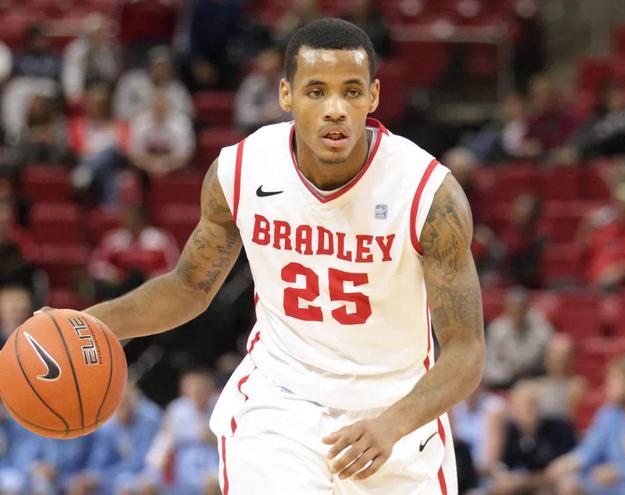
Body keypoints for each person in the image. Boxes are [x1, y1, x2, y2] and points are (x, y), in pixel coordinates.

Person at [77, 18, 484, 494]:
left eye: (352, 92)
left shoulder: (427, 194)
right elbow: (189, 286)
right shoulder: (243, 170)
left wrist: (392, 424)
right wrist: (86, 323)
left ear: (373, 97)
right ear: (286, 94)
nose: (335, 109)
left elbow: (466, 350)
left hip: (397, 415)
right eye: (316, 91)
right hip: (282, 403)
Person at [548, 355, 625, 495]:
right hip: (611, 484)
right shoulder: (608, 413)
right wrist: (570, 462)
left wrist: (621, 471)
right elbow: (591, 448)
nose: (607, 388)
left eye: (613, 383)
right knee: (569, 483)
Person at [67, 382, 162, 495]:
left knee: (136, 486)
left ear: (135, 401)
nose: (124, 410)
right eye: (120, 405)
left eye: (127, 403)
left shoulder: (150, 420)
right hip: (115, 478)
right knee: (80, 485)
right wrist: (91, 478)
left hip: (147, 473)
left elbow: (145, 461)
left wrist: (110, 478)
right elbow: (99, 463)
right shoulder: (107, 427)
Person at [490, 380, 576, 495]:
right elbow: (502, 465)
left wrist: (527, 481)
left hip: (549, 484)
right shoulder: (509, 432)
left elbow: (562, 468)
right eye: (519, 406)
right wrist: (505, 477)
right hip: (520, 483)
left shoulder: (559, 429)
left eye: (531, 405)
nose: (525, 411)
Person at [143, 369, 220, 495]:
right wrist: (155, 464)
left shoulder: (221, 405)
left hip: (214, 466)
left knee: (212, 484)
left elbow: (233, 442)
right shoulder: (176, 410)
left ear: (210, 388)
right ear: (185, 390)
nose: (197, 391)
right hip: (184, 471)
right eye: (193, 388)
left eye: (201, 387)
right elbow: (163, 442)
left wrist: (213, 438)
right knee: (147, 484)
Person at [88, 204, 179, 300]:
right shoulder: (114, 239)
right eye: (128, 218)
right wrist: (112, 273)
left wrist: (155, 276)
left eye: (134, 219)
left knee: (138, 276)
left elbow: (174, 266)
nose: (130, 222)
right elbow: (97, 266)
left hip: (151, 289)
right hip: (121, 288)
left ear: (143, 220)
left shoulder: (160, 239)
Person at [484, 287, 553, 389]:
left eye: (520, 308)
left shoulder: (541, 328)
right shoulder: (497, 329)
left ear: (527, 308)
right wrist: (505, 375)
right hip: (505, 379)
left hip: (533, 378)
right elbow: (490, 363)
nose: (516, 312)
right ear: (506, 309)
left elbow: (547, 361)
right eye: (513, 307)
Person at [113, 46, 193, 122]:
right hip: (137, 126)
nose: (161, 70)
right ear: (149, 65)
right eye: (157, 66)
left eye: (165, 66)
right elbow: (119, 112)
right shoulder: (132, 81)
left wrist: (169, 108)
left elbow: (189, 114)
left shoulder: (177, 89)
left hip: (170, 129)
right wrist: (145, 106)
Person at [128, 89, 195, 178]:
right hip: (145, 171)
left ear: (168, 106)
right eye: (156, 107)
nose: (159, 110)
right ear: (150, 107)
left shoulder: (181, 122)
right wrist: (152, 165)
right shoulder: (140, 122)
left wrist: (164, 165)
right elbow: (135, 153)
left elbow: (184, 154)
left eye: (162, 107)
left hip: (176, 170)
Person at [61, 13, 121, 106]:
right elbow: (72, 72)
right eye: (98, 32)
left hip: (103, 87)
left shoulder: (109, 48)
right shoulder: (77, 49)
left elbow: (111, 74)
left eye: (103, 32)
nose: (101, 35)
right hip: (83, 87)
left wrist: (104, 51)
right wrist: (74, 92)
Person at [235, 46, 290, 134]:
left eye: (275, 69)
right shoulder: (252, 83)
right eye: (268, 70)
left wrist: (280, 113)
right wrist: (264, 114)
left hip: (282, 128)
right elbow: (243, 114)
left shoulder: (287, 83)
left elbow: (294, 112)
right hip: (255, 128)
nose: (271, 73)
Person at [535, 333, 586, 422]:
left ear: (572, 358)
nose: (559, 359)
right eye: (555, 354)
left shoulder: (578, 385)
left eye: (564, 354)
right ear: (546, 357)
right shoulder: (535, 386)